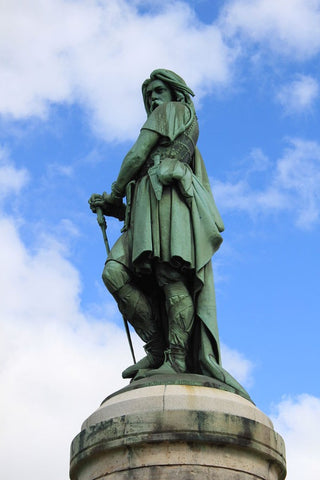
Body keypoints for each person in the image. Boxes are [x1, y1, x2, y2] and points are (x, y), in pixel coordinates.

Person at [89, 69, 248, 397]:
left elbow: (136, 155)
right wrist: (117, 205)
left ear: (176, 93)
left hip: (168, 206)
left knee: (170, 277)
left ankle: (175, 359)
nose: (153, 98)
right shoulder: (169, 123)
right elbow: (142, 188)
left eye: (159, 90)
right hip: (148, 210)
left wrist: (114, 191)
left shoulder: (172, 111)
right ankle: (157, 348)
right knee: (114, 272)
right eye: (149, 95)